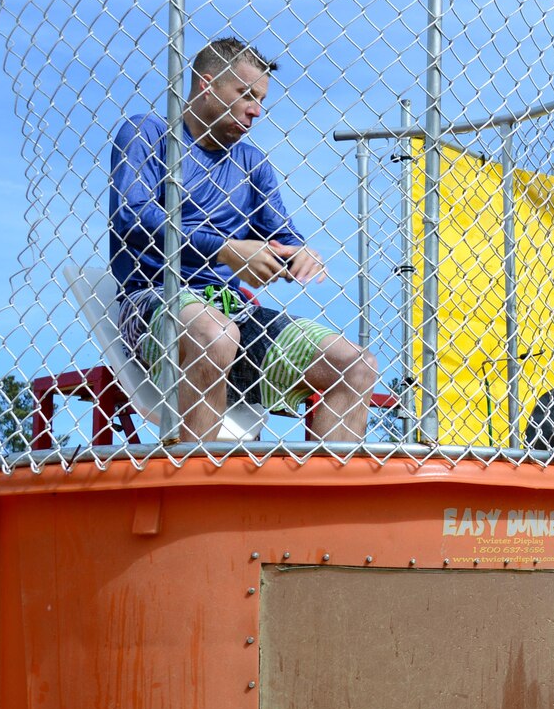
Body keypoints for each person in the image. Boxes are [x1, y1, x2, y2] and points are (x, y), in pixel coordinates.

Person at [108, 37, 378, 442]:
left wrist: (299, 255)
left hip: (232, 310)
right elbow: (132, 217)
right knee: (216, 335)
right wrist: (225, 249)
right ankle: (194, 493)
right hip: (152, 302)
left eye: (261, 100)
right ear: (207, 84)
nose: (255, 110)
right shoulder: (149, 133)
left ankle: (320, 502)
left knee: (357, 365)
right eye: (245, 94)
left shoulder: (252, 163)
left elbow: (283, 234)